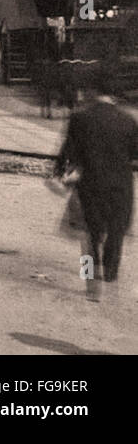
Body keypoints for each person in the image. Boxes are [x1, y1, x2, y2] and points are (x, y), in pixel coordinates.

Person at [53, 69, 138, 300]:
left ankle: (91, 283)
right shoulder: (128, 121)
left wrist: (58, 173)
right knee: (116, 232)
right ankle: (110, 272)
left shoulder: (80, 118)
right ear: (115, 95)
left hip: (89, 187)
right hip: (120, 188)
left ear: (93, 91)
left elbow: (67, 152)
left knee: (89, 236)